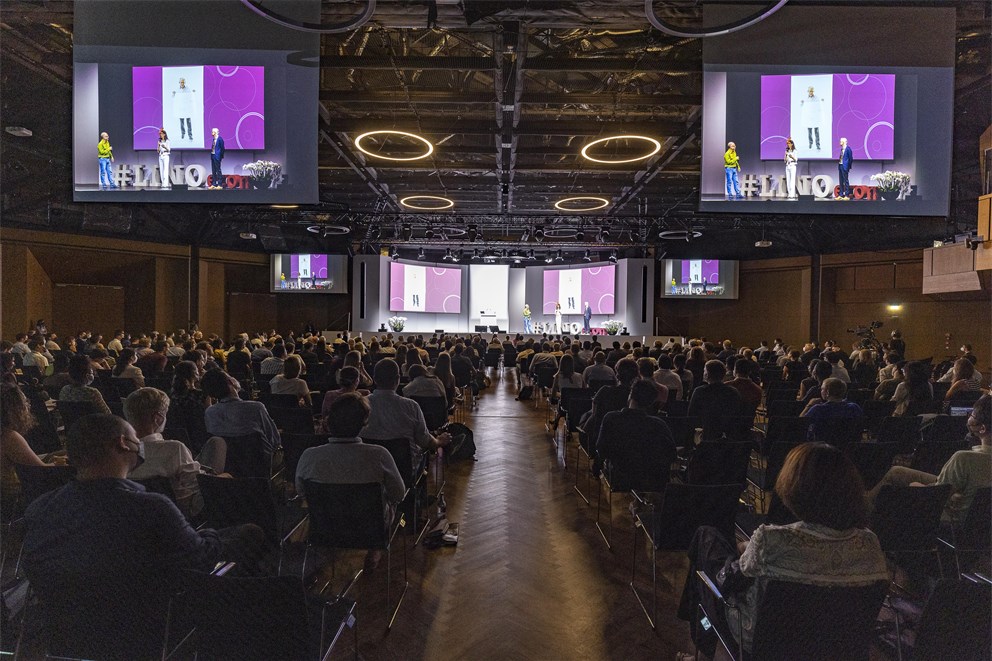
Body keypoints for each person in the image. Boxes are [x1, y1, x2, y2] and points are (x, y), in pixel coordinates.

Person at [21, 414, 266, 655]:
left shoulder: (40, 508)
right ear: (123, 443)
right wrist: (209, 535)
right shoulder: (151, 507)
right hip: (148, 625)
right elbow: (202, 557)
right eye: (135, 438)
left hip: (69, 633)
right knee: (249, 533)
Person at [676, 443, 888, 660]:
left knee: (705, 541)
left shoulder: (773, 539)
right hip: (834, 646)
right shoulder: (869, 543)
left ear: (796, 487)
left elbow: (728, 581)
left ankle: (700, 646)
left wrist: (745, 551)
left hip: (761, 642)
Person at [297, 393, 406, 568]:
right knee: (392, 507)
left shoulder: (309, 456)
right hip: (369, 529)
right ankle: (374, 549)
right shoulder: (379, 455)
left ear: (329, 421)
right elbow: (399, 494)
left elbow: (301, 491)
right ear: (364, 423)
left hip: (325, 526)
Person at [868, 394, 991, 522]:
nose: (969, 417)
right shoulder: (971, 459)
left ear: (982, 428)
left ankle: (862, 515)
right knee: (897, 472)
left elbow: (936, 498)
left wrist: (916, 486)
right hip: (982, 521)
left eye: (972, 415)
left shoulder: (964, 459)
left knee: (904, 485)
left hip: (952, 518)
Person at [123, 387, 227, 518]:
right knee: (217, 444)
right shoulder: (174, 449)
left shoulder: (119, 454)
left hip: (139, 516)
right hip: (185, 512)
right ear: (158, 419)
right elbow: (198, 486)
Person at [360, 359, 450, 473]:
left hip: (368, 468)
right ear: (397, 379)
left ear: (375, 379)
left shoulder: (361, 405)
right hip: (405, 470)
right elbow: (424, 440)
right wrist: (438, 441)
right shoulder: (411, 406)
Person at [595, 379, 676, 482]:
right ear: (651, 402)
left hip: (619, 478)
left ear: (630, 395)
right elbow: (672, 455)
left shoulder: (611, 418)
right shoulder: (659, 424)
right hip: (651, 481)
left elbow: (601, 449)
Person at [201, 369, 280, 455]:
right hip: (259, 463)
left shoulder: (210, 412)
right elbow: (274, 441)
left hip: (228, 464)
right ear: (230, 382)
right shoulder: (256, 408)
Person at [800, 85, 824, 151]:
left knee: (816, 132)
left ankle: (818, 145)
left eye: (812, 91)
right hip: (809, 118)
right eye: (810, 91)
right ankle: (810, 144)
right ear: (808, 92)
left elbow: (819, 104)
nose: (811, 92)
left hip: (815, 118)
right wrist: (802, 103)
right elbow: (803, 106)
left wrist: (821, 101)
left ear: (813, 92)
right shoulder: (806, 98)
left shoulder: (816, 98)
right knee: (809, 132)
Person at [172, 77, 196, 141]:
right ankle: (183, 134)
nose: (182, 83)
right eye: (181, 82)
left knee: (189, 122)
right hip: (181, 109)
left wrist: (193, 93)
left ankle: (190, 135)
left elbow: (191, 96)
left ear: (184, 83)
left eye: (183, 82)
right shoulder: (177, 90)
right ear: (179, 83)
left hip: (187, 109)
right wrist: (173, 94)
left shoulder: (188, 89)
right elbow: (174, 98)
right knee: (181, 122)